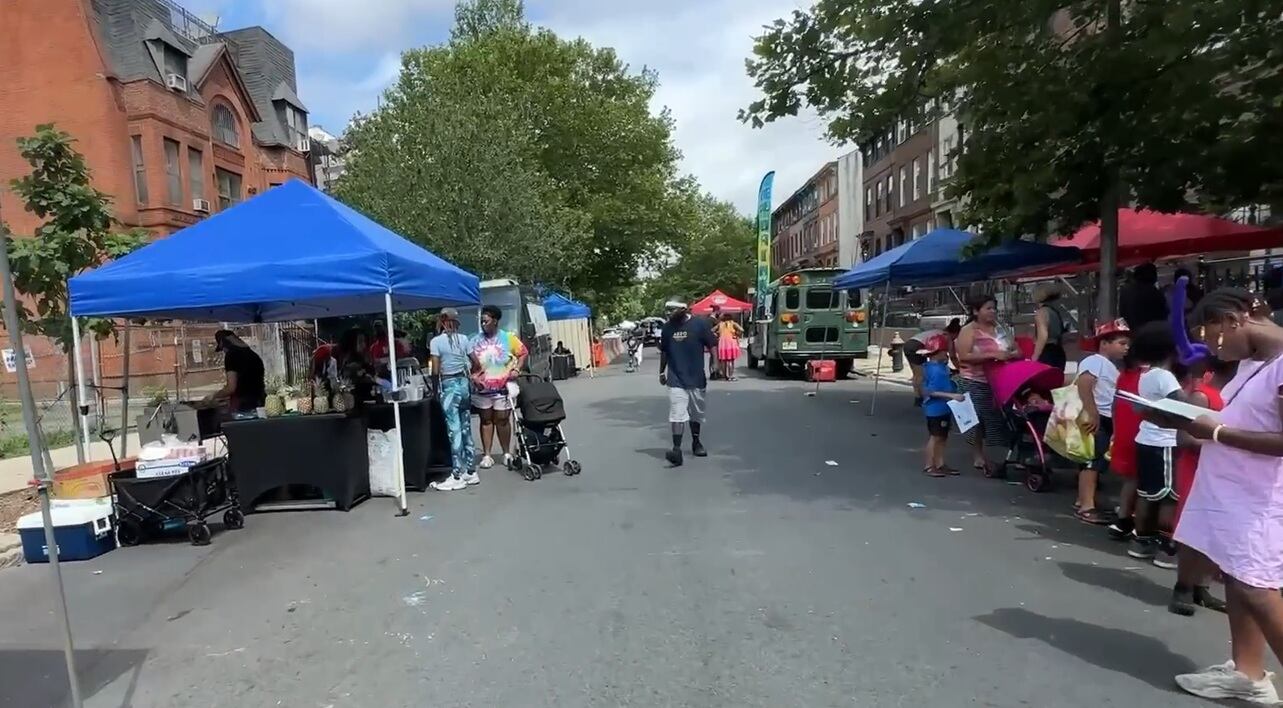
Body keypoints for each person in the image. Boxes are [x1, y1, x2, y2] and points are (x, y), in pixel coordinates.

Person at [1160, 288, 1283, 703]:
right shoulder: (1255, 364)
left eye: (1211, 336)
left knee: (1257, 588)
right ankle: (1248, 673)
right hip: (1234, 493)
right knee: (1237, 578)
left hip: (1260, 501)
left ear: (1233, 320)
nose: (1213, 349)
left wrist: (1216, 432)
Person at [1168, 356, 1231, 617]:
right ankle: (1183, 586)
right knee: (1193, 529)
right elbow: (1184, 438)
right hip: (1195, 469)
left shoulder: (1238, 395)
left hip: (1225, 472)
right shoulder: (1202, 396)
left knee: (1216, 530)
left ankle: (1201, 587)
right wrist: (1225, 442)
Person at [1127, 322, 1182, 568]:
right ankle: (1167, 548)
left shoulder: (1146, 375)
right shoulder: (1165, 376)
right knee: (1170, 496)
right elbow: (1180, 404)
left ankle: (1141, 541)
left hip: (1146, 439)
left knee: (1147, 493)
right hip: (1165, 441)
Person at [955, 294, 1020, 475]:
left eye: (994, 308)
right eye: (988, 308)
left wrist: (1011, 355)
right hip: (974, 380)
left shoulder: (1000, 328)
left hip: (999, 379)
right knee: (977, 419)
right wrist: (991, 355)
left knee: (999, 417)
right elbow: (964, 356)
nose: (992, 312)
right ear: (976, 311)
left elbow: (1016, 349)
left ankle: (1008, 453)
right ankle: (978, 454)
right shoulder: (969, 330)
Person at [1074, 319, 1131, 525]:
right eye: (1121, 343)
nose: (1126, 348)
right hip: (1097, 417)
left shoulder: (1110, 366)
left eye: (1127, 344)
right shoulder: (1094, 361)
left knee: (1097, 461)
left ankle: (1082, 500)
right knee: (1092, 462)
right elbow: (1084, 384)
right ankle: (1086, 507)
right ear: (1104, 343)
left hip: (1105, 417)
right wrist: (1092, 412)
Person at [659, 300, 718, 467]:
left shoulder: (700, 324)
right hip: (675, 378)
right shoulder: (667, 328)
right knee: (676, 414)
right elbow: (664, 351)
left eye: (672, 310)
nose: (669, 313)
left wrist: (715, 362)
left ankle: (696, 442)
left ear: (683, 309)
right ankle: (676, 450)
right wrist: (661, 371)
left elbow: (712, 344)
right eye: (667, 310)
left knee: (696, 414)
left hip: (696, 377)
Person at [470, 304, 527, 470]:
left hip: (502, 388)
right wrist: (473, 377)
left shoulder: (508, 338)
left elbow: (523, 353)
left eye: (486, 321)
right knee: (486, 420)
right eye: (481, 321)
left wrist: (517, 369)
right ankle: (487, 455)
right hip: (482, 389)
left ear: (495, 321)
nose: (483, 324)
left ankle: (506, 453)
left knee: (502, 420)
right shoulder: (474, 340)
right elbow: (466, 360)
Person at [429, 309, 477, 491]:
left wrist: (435, 390)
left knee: (454, 430)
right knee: (466, 428)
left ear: (441, 321)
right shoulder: (464, 339)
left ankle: (457, 474)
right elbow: (476, 361)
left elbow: (435, 369)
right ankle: (471, 470)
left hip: (448, 385)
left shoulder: (436, 342)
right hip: (464, 384)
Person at [1107, 346, 1147, 542]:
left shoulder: (1124, 376)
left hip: (1124, 429)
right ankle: (1135, 521)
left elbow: (1115, 405)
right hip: (1141, 430)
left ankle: (1124, 517)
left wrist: (1115, 431)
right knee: (1142, 479)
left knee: (1131, 478)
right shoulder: (1149, 377)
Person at [919, 334, 963, 478]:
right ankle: (929, 465)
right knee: (935, 437)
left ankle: (940, 463)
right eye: (944, 351)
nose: (946, 354)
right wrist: (952, 396)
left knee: (942, 437)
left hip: (943, 408)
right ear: (938, 352)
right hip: (936, 409)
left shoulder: (937, 367)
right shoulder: (935, 370)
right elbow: (930, 391)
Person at [207, 330, 266, 415]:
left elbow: (231, 388)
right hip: (260, 402)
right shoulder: (253, 355)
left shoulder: (231, 355)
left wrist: (213, 397)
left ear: (223, 343)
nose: (224, 351)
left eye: (223, 349)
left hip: (243, 406)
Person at [906, 320, 962, 407]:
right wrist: (959, 368)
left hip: (909, 344)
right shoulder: (946, 336)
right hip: (915, 346)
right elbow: (952, 356)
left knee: (917, 374)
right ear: (955, 333)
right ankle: (921, 397)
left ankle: (918, 396)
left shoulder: (939, 332)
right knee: (921, 375)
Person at [1032, 283, 1074, 371]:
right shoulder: (1055, 312)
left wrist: (1035, 356)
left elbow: (1043, 335)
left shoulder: (1041, 313)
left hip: (1046, 352)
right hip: (1058, 351)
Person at [1119, 263, 1168, 330]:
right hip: (1152, 330)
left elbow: (1122, 312)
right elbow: (1164, 312)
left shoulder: (1125, 290)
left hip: (1132, 330)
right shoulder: (1153, 292)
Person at [716, 313, 743, 381]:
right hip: (731, 343)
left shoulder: (720, 324)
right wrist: (736, 334)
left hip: (722, 343)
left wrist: (717, 335)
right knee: (730, 360)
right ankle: (731, 376)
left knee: (723, 360)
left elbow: (712, 330)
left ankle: (724, 376)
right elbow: (742, 330)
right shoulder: (733, 323)